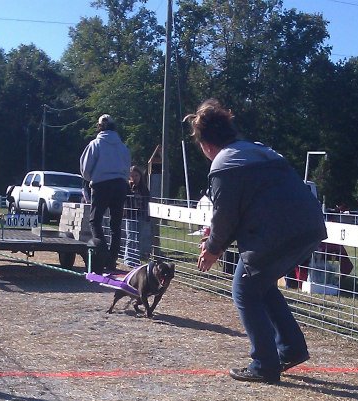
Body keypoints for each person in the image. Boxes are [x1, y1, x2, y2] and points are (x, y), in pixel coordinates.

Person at [186, 99, 326, 384]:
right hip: (309, 227)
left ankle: (264, 363)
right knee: (259, 285)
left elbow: (225, 217)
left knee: (244, 289)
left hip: (277, 234)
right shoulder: (260, 150)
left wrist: (213, 249)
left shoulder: (224, 163)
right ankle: (291, 348)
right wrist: (216, 240)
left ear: (205, 144)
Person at [80, 114, 130, 271]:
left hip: (101, 185)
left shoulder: (95, 144)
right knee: (116, 224)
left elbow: (85, 169)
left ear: (99, 126)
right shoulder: (122, 146)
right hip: (121, 185)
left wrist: (92, 178)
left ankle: (101, 254)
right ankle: (112, 260)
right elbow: (128, 165)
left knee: (95, 220)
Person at [123, 165, 152, 267]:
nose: (134, 178)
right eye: (132, 176)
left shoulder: (144, 189)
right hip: (130, 215)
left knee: (139, 238)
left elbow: (147, 201)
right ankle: (128, 259)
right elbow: (125, 200)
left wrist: (147, 215)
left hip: (141, 215)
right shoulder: (127, 187)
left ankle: (135, 259)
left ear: (140, 176)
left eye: (136, 175)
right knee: (130, 237)